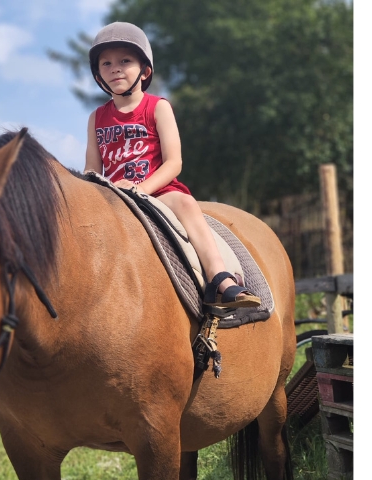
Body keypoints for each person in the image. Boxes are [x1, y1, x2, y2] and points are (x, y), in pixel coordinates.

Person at [84, 21, 261, 308]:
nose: (115, 68)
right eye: (106, 63)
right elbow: (92, 170)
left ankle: (220, 278)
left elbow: (174, 162)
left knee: (187, 204)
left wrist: (140, 190)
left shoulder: (157, 107)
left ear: (145, 71)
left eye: (125, 61)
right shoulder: (96, 117)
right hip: (114, 195)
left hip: (157, 190)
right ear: (98, 73)